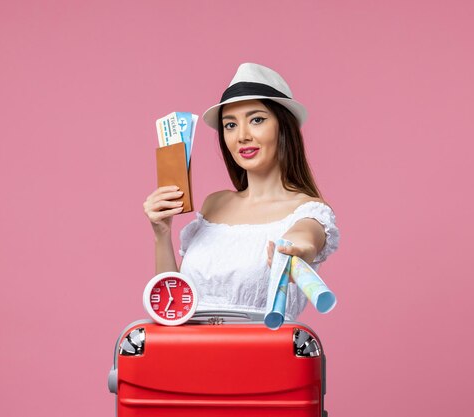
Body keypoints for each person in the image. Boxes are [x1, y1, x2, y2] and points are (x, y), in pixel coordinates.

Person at [143, 63, 339, 320]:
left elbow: (304, 238)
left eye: (256, 120)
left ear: (284, 127)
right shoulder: (214, 204)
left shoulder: (308, 211)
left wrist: (299, 251)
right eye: (230, 125)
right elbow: (172, 304)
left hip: (263, 355)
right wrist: (162, 233)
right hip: (189, 355)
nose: (242, 136)